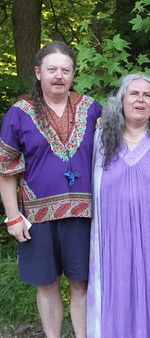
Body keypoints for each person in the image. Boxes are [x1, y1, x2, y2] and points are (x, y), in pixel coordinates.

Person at [0, 41, 101, 338]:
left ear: (73, 74)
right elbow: (6, 169)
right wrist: (13, 217)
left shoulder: (92, 109)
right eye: (52, 69)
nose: (59, 75)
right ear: (38, 73)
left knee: (81, 283)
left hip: (84, 214)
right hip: (37, 216)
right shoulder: (20, 113)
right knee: (46, 283)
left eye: (65, 70)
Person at [86, 73, 150, 337]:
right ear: (121, 100)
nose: (140, 100)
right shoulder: (101, 139)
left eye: (147, 95)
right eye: (134, 94)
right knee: (117, 296)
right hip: (112, 243)